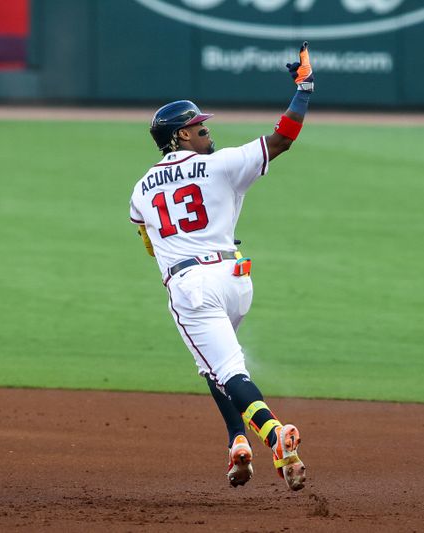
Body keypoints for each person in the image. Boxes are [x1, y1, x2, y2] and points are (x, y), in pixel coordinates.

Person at [129, 42, 314, 491]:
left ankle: (275, 436)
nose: (206, 131)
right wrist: (304, 89)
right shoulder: (223, 165)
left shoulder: (139, 191)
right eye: (197, 127)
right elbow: (283, 137)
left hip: (192, 286)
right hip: (236, 280)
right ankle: (238, 442)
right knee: (213, 365)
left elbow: (151, 247)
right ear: (179, 137)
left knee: (229, 371)